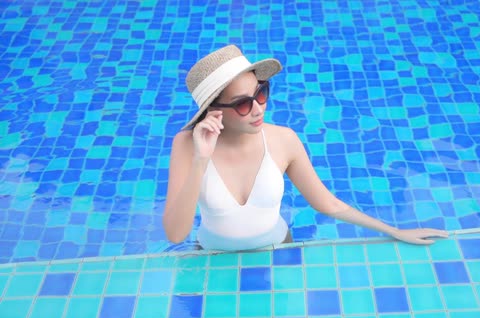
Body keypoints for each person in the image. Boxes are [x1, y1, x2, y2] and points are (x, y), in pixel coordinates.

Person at [163, 45, 448, 251]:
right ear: (214, 111)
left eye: (261, 93)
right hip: (213, 258)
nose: (258, 108)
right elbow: (176, 235)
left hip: (276, 250)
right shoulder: (187, 145)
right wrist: (201, 159)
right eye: (242, 103)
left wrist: (394, 231)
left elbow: (327, 203)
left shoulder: (283, 140)